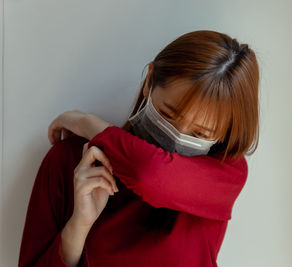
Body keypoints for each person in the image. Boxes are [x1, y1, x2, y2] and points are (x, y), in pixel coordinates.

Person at [18, 30, 259, 267]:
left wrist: (88, 124)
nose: (176, 137)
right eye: (167, 114)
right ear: (149, 81)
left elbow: (150, 174)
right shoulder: (70, 159)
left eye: (199, 134)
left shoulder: (225, 173)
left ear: (223, 134)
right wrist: (78, 227)